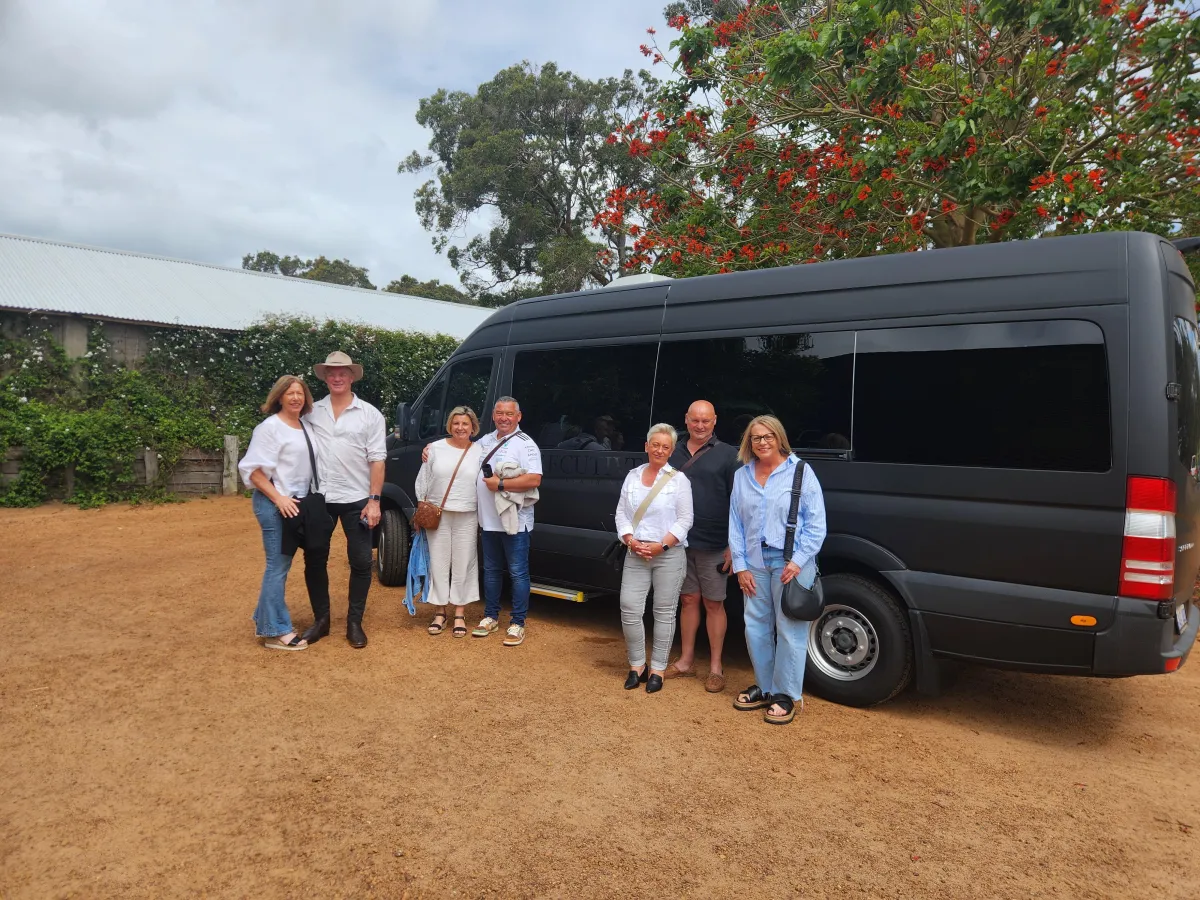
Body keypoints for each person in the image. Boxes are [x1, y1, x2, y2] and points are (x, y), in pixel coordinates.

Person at [728, 415, 827, 725]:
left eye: (769, 435)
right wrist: (740, 565)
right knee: (755, 626)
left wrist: (797, 562)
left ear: (780, 437)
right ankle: (767, 686)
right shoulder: (742, 475)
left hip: (791, 564)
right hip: (755, 562)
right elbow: (735, 523)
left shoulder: (800, 471)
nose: (763, 442)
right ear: (749, 442)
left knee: (789, 629)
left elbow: (816, 524)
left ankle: (786, 694)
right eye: (756, 437)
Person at [298, 351, 387, 649]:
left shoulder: (370, 414)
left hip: (357, 499)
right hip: (319, 497)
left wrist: (374, 500)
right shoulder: (310, 412)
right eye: (331, 373)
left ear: (352, 377)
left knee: (361, 561)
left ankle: (354, 622)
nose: (337, 378)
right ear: (325, 377)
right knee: (314, 558)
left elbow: (377, 460)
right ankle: (321, 621)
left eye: (343, 373)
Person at [665, 400, 741, 693]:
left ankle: (716, 667)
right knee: (687, 600)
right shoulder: (673, 450)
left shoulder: (728, 455)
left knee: (714, 603)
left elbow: (738, 503)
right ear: (686, 420)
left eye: (705, 421)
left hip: (714, 542)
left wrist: (733, 546)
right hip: (680, 542)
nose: (700, 426)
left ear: (714, 421)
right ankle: (685, 660)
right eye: (695, 420)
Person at [614, 424, 694, 694]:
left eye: (665, 446)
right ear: (646, 446)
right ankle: (637, 665)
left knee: (664, 612)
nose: (659, 450)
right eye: (655, 444)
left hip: (668, 554)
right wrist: (630, 540)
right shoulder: (632, 476)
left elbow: (685, 519)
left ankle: (658, 668)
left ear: (671, 450)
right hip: (636, 551)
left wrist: (663, 545)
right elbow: (621, 514)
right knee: (630, 608)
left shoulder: (679, 480)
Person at [238, 375, 315, 651]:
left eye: (300, 393)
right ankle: (275, 631)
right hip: (274, 504)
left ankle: (265, 617)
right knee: (277, 565)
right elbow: (252, 471)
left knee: (281, 564)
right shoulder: (269, 428)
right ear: (279, 397)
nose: (295, 397)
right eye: (289, 393)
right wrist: (279, 498)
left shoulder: (304, 426)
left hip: (295, 504)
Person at [473, 396, 543, 646]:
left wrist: (500, 484)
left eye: (509, 414)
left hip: (515, 522)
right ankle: (490, 617)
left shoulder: (526, 445)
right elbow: (461, 449)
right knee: (491, 571)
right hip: (489, 520)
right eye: (499, 413)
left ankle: (517, 623)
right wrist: (430, 449)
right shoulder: (486, 440)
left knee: (517, 573)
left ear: (518, 417)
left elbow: (534, 480)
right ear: (493, 415)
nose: (504, 418)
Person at [414, 406, 483, 638]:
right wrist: (420, 510)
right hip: (438, 513)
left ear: (473, 427)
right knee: (439, 563)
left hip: (468, 513)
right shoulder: (434, 448)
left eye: (465, 424)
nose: (460, 428)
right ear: (449, 426)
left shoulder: (480, 451)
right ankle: (440, 612)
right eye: (456, 423)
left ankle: (460, 613)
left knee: (464, 563)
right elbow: (423, 478)